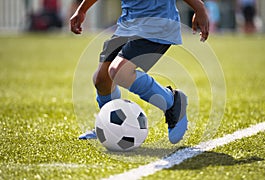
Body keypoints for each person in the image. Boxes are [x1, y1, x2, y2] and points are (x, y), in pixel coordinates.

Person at [70, 0, 209, 144]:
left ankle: (172, 102)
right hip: (128, 24)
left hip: (158, 25)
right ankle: (108, 127)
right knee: (101, 79)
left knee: (119, 72)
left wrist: (199, 8)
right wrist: (82, 10)